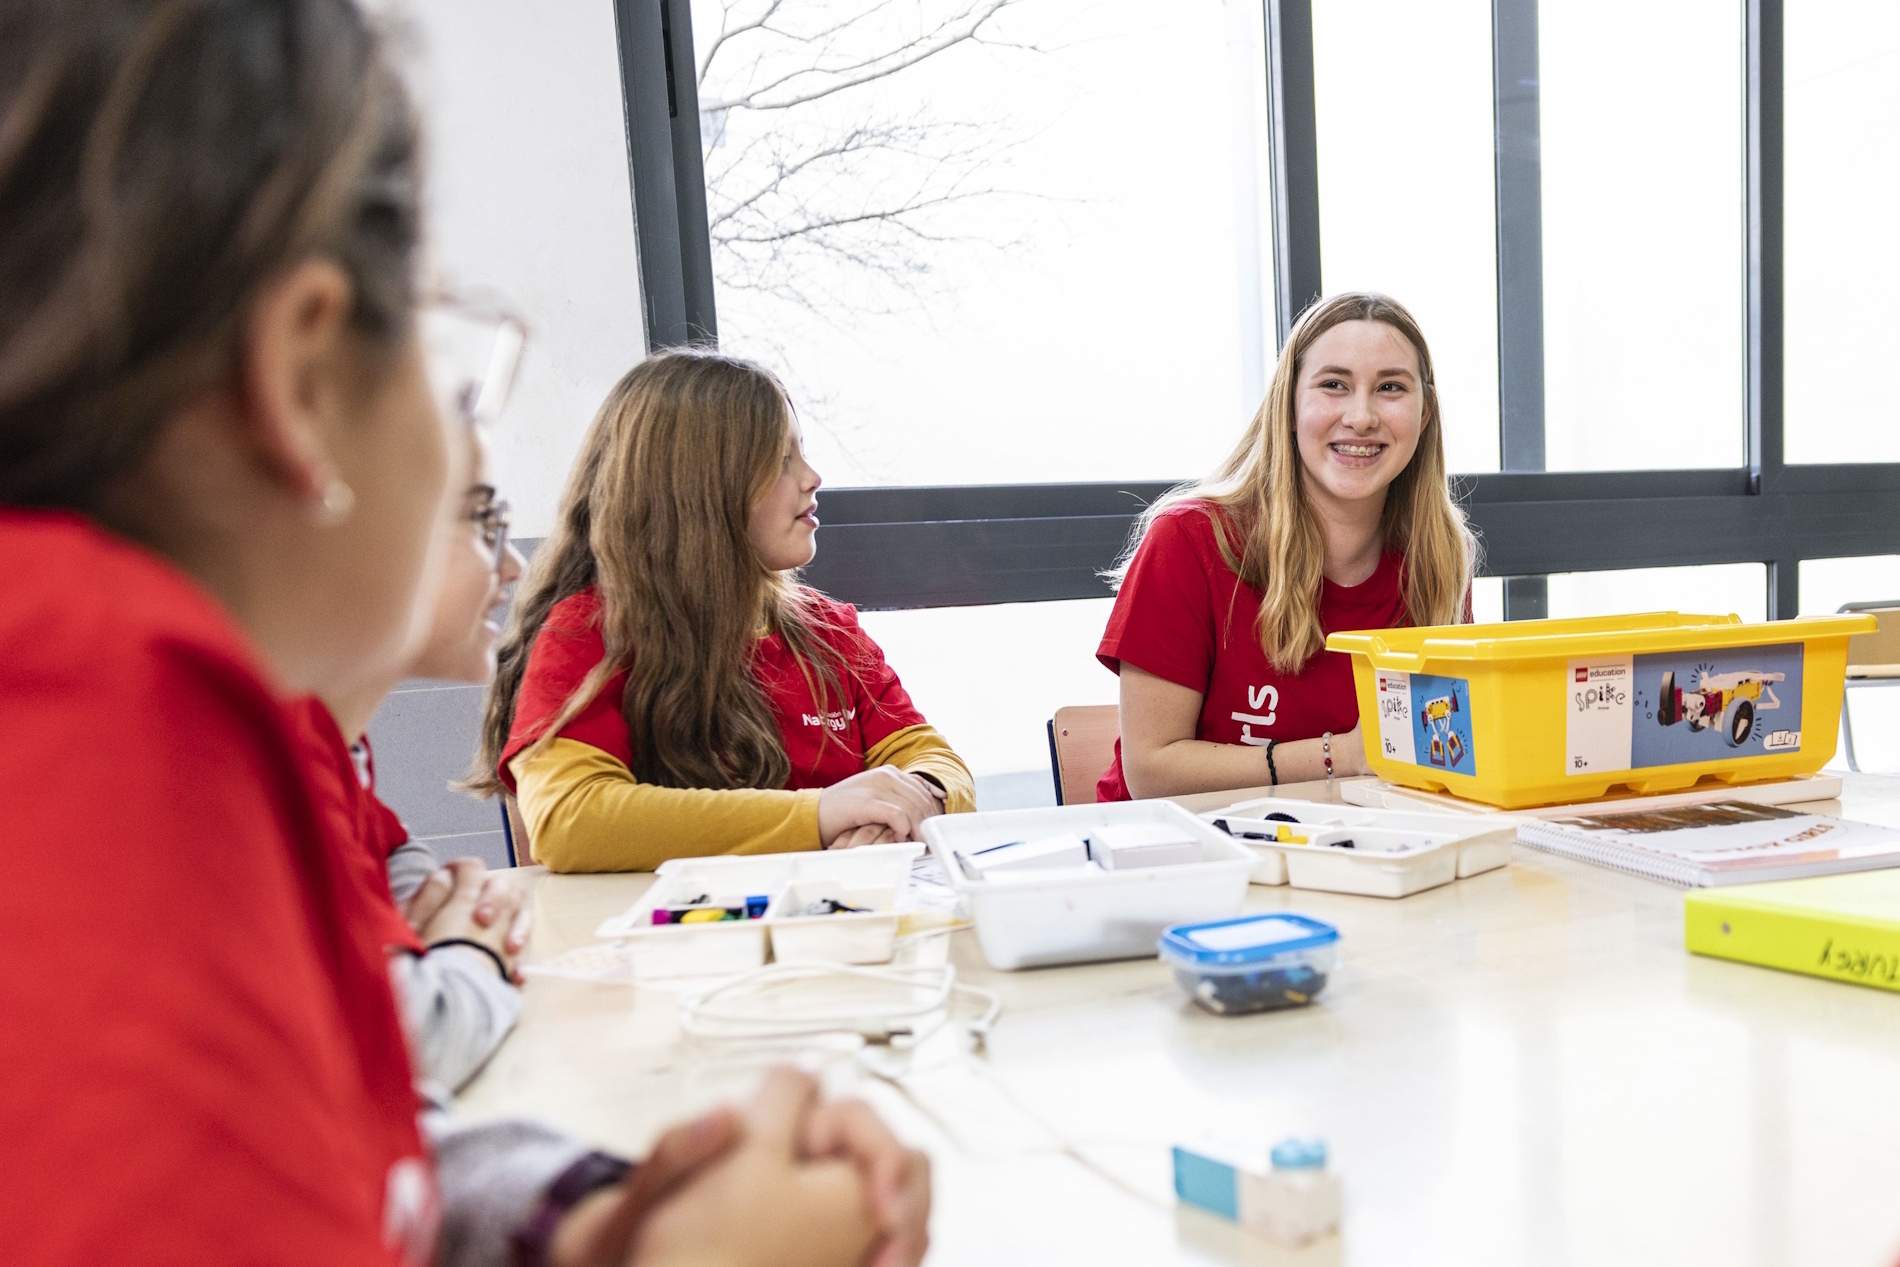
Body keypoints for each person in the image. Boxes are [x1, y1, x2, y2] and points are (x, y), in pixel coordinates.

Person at [0, 3, 925, 1263]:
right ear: (303, 375)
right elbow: (575, 819)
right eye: (441, 347)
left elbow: (350, 1133)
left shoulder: (191, 714)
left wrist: (592, 1219)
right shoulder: (109, 721)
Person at [472, 349, 975, 872]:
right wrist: (820, 815)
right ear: (700, 488)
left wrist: (920, 798)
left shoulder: (828, 632)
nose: (812, 477)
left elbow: (932, 758)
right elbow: (569, 820)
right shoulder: (590, 631)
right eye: (781, 461)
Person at [1096, 292, 1475, 802]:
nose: (1361, 417)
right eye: (1334, 385)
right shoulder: (1187, 541)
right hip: (1186, 859)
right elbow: (1152, 771)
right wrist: (1341, 755)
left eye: (1390, 388)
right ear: (1290, 407)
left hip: (1358, 851)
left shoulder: (1439, 558)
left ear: (1424, 415)